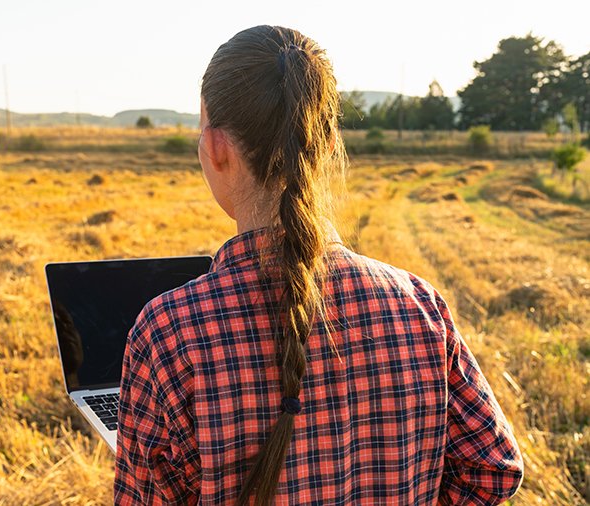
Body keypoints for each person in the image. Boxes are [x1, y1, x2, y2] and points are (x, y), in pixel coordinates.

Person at [114, 25, 523, 505]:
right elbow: (492, 469)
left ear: (216, 146)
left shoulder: (169, 335)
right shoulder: (420, 305)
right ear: (328, 145)